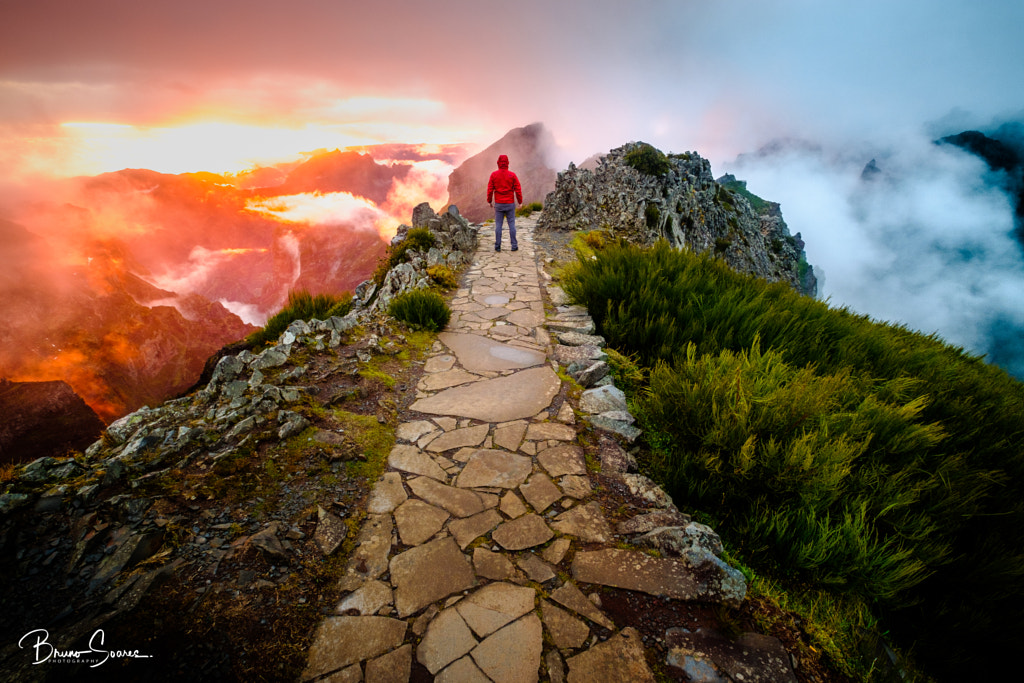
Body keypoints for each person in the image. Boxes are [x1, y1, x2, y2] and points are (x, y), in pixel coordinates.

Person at [486, 154, 523, 251]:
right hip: (510, 203)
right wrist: (520, 202)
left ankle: (497, 246)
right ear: (507, 163)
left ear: (498, 163)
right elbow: (518, 189)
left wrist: (489, 201)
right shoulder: (512, 175)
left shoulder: (494, 175)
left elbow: (490, 189)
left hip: (499, 204)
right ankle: (514, 246)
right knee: (512, 225)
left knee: (498, 225)